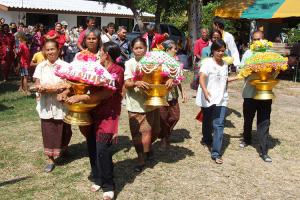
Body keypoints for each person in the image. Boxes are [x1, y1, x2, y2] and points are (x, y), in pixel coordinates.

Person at [65, 42, 124, 200]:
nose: (98, 55)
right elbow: (82, 81)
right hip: (92, 112)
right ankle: (98, 177)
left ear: (107, 55)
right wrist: (68, 91)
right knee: (91, 146)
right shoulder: (97, 67)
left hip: (108, 116)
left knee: (103, 149)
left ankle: (108, 185)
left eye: (101, 52)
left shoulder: (117, 71)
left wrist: (81, 97)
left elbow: (105, 93)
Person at [33, 40, 73, 172]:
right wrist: (40, 88)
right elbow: (37, 83)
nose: (50, 52)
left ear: (58, 50)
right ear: (44, 51)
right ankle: (50, 158)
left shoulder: (66, 66)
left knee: (65, 129)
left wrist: (63, 90)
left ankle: (64, 148)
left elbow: (70, 84)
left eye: (52, 49)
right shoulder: (41, 66)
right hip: (46, 103)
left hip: (61, 102)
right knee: (48, 130)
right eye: (47, 49)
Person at [196, 39, 236, 164]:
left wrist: (237, 77)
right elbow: (202, 77)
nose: (220, 53)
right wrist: (205, 90)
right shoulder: (207, 63)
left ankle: (216, 153)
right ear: (213, 50)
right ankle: (207, 139)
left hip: (221, 98)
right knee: (207, 120)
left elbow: (224, 79)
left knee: (218, 125)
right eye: (218, 51)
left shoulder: (225, 64)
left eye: (223, 51)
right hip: (208, 96)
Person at [124, 37, 160, 171]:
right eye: (136, 48)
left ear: (146, 48)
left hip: (151, 103)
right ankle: (141, 158)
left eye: (141, 48)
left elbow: (162, 77)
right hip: (135, 104)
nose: (139, 50)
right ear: (132, 50)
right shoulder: (129, 63)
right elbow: (127, 83)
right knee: (138, 133)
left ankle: (147, 149)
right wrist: (136, 82)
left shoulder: (154, 63)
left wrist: (169, 80)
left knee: (153, 131)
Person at [239, 31, 273, 162]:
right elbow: (241, 69)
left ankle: (264, 150)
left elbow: (275, 72)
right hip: (249, 92)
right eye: (254, 39)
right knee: (248, 118)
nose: (256, 42)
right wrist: (251, 70)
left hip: (265, 92)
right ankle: (246, 139)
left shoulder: (270, 54)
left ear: (264, 40)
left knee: (264, 121)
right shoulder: (248, 53)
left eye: (259, 39)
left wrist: (270, 73)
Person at [159, 40, 187, 150]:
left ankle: (165, 134)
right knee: (163, 117)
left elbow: (178, 79)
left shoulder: (177, 63)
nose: (176, 50)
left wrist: (183, 92)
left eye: (176, 48)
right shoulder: (159, 63)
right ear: (167, 50)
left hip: (173, 94)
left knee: (175, 116)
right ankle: (164, 139)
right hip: (162, 93)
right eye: (174, 49)